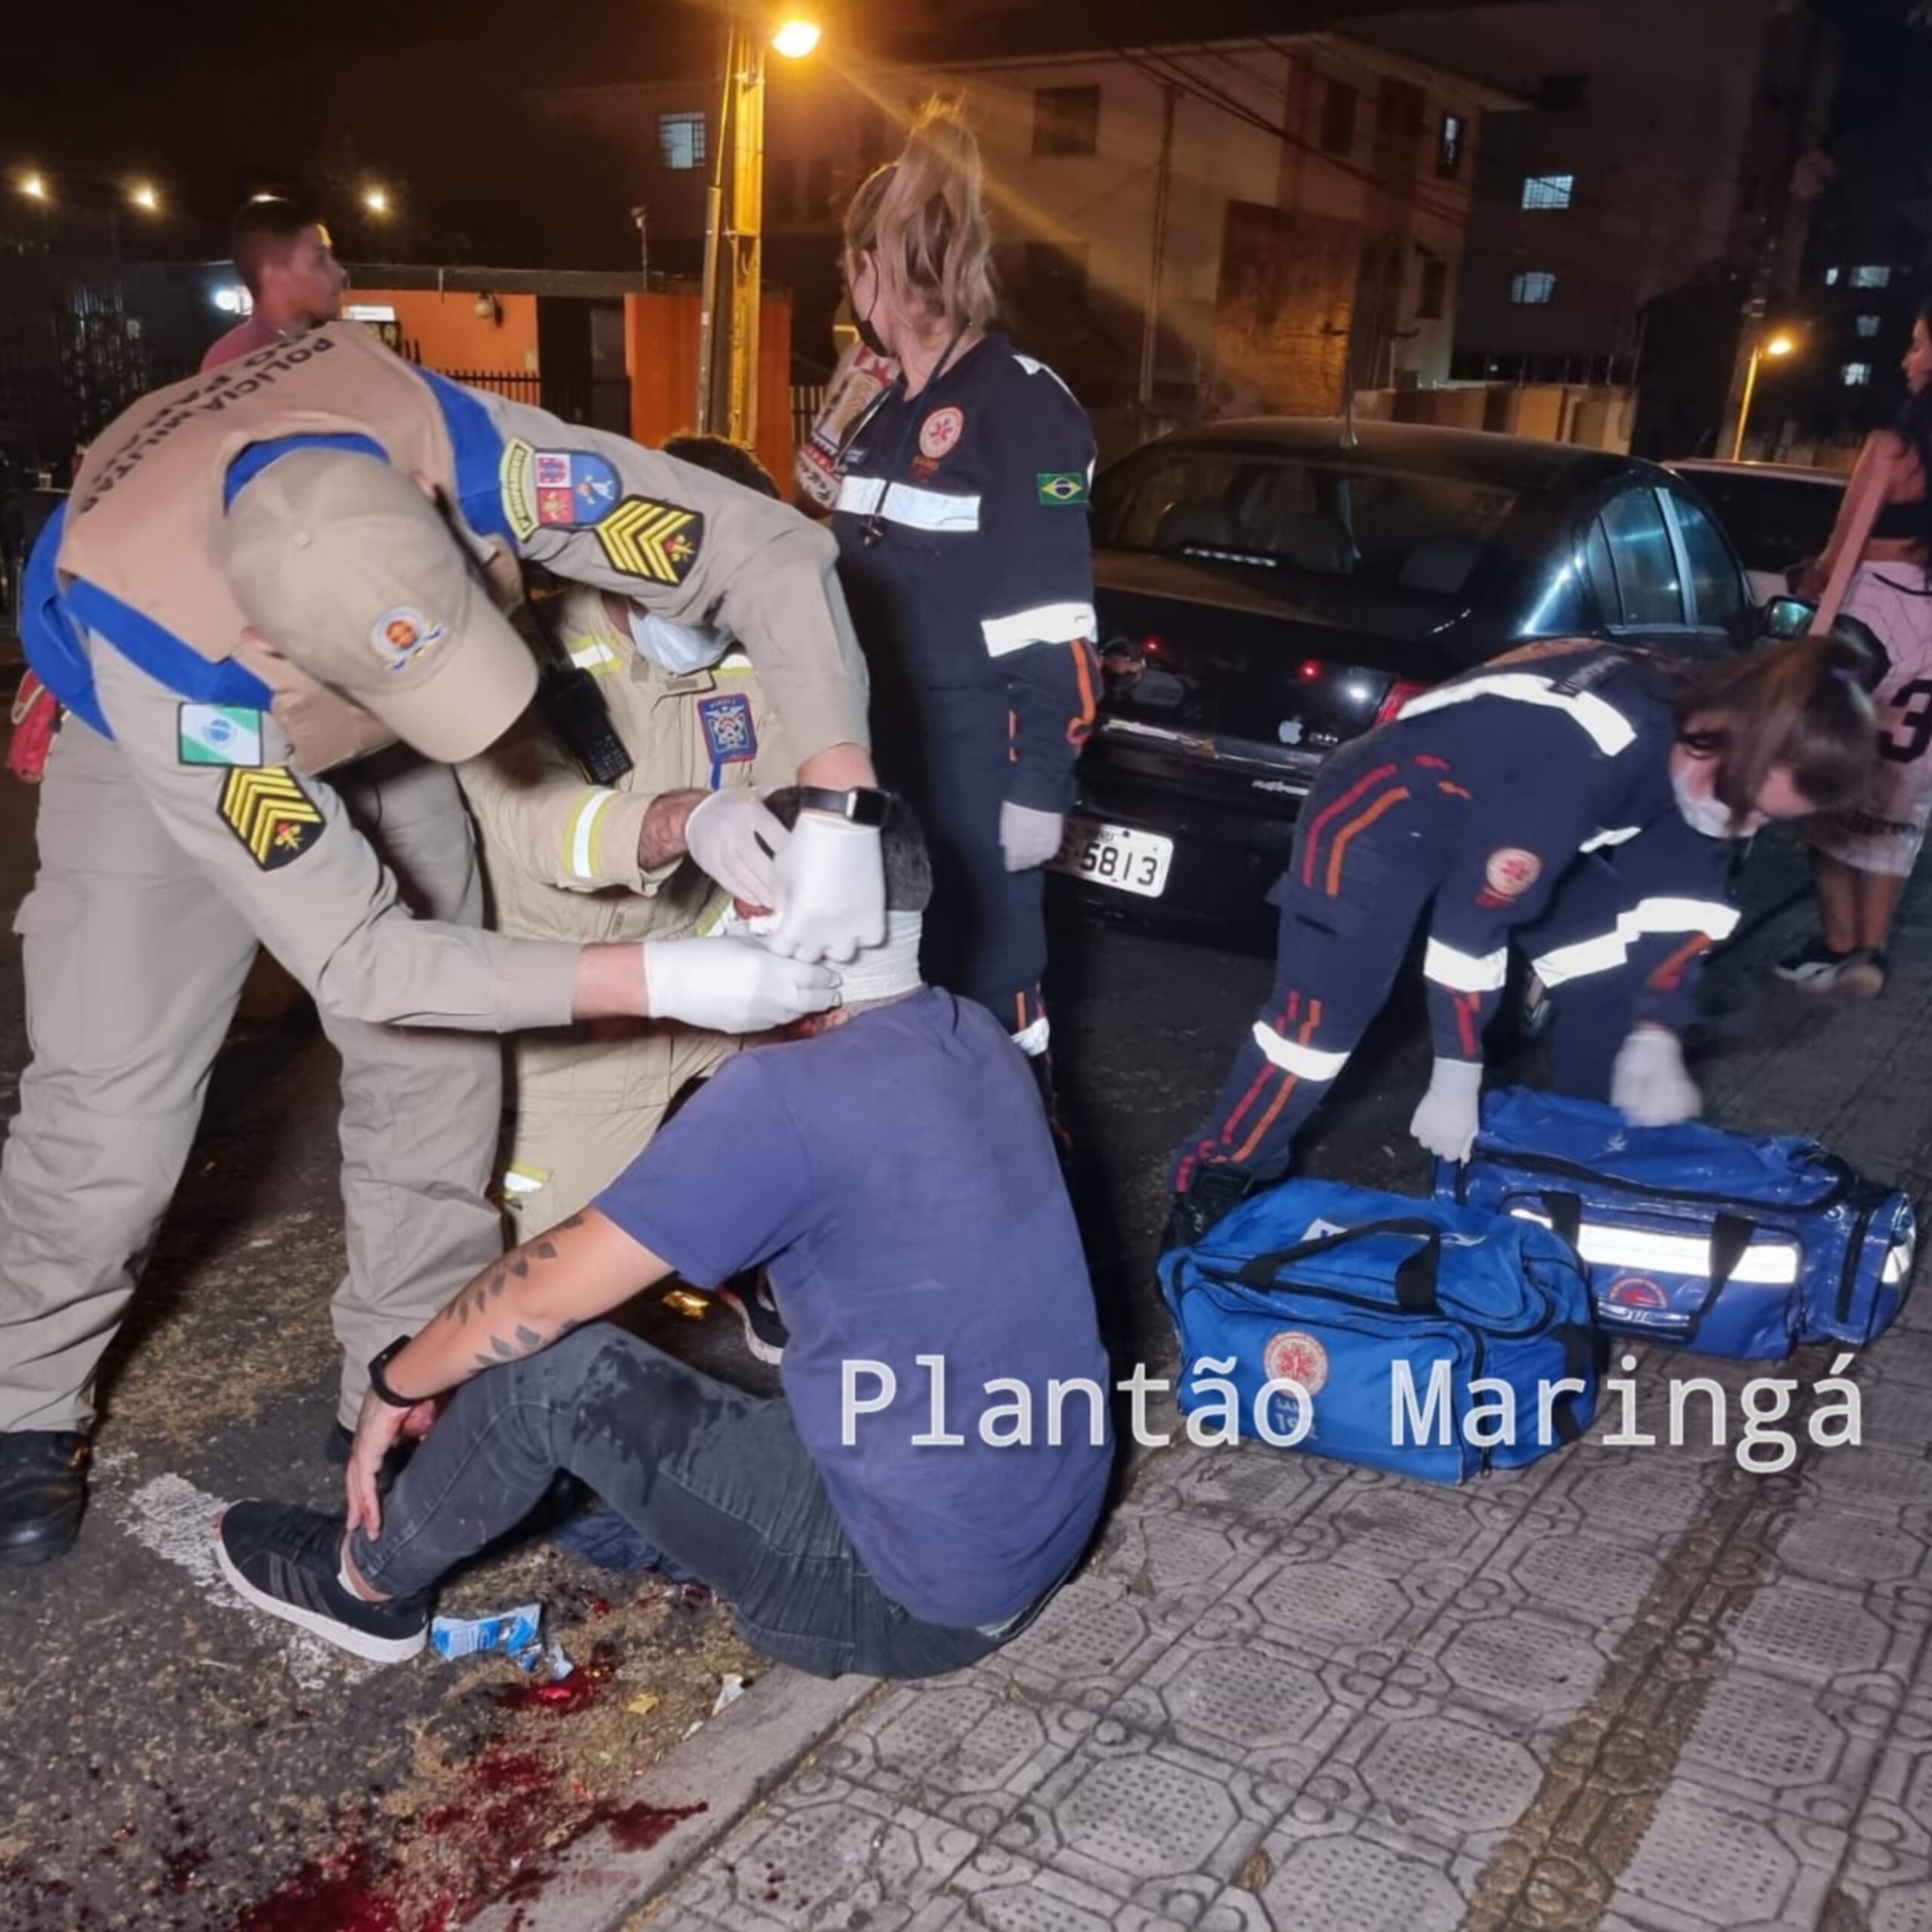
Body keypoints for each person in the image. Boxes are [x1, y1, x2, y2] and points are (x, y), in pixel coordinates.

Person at [0, 325, 885, 1567]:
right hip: (172, 747)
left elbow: (765, 545)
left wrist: (840, 801)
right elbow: (355, 955)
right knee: (113, 1104)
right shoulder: (172, 668)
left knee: (440, 1072)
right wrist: (664, 978)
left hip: (380, 716)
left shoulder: (458, 442)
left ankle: (400, 1379)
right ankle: (21, 1399)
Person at [214, 792, 1114, 1679]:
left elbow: (534, 1297)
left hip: (903, 1594)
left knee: (539, 1376)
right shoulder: (974, 1034)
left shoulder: (787, 1099)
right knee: (608, 1427)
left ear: (767, 917)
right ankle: (605, 1513)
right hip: (1033, 1524)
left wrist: (393, 1381)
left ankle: (364, 1587)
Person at [1164, 635, 1878, 1249]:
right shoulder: (1589, 747)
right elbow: (1471, 929)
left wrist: (1658, 1028)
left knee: (1612, 988)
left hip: (1515, 828)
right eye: (1750, 802)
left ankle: (1585, 1183)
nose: (1747, 824)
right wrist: (1457, 1073)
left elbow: (1680, 908)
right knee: (1320, 1025)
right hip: (1383, 814)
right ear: (1725, 734)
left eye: (1769, 817)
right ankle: (1223, 1177)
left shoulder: (1709, 756)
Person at [457, 435, 797, 1235]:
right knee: (540, 1285)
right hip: (576, 1028)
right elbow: (530, 820)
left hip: (721, 996)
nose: (718, 614)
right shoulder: (519, 647)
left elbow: (795, 789)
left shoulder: (758, 644)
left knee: (822, 1171)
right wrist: (684, 818)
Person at [831, 102, 1100, 1081]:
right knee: (887, 1012)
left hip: (977, 768)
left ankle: (1025, 1176)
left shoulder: (1019, 401)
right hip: (879, 761)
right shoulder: (885, 410)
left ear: (877, 268)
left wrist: (1039, 794)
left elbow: (1060, 625)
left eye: (851, 269)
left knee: (990, 1018)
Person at [1777, 306, 1932, 999]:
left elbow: (1842, 555)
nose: (1907, 355)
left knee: (1829, 781)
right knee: (1903, 798)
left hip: (1871, 616)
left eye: (1919, 340)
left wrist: (1814, 609)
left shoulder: (1891, 449)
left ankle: (1836, 942)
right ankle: (1871, 951)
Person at [203, 196, 348, 370]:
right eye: (319, 261)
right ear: (274, 274)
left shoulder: (233, 352)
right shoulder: (250, 362)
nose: (339, 271)